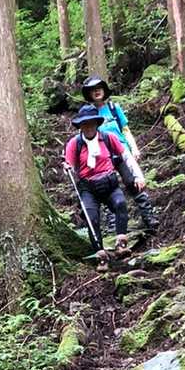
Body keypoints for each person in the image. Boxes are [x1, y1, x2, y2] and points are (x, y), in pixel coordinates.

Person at [64, 104, 156, 260]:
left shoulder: (108, 138)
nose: (88, 127)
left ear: (96, 123)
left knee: (120, 204)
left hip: (109, 183)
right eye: (85, 124)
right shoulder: (74, 143)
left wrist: (138, 176)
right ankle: (100, 255)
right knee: (91, 218)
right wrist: (67, 168)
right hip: (88, 188)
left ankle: (121, 244)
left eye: (91, 123)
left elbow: (126, 157)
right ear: (80, 126)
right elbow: (70, 165)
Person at [81, 75, 142, 160]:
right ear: (89, 94)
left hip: (124, 151)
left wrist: (134, 149)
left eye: (99, 88)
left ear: (104, 90)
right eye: (93, 89)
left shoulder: (114, 108)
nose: (96, 91)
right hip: (104, 158)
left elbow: (125, 131)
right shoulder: (88, 115)